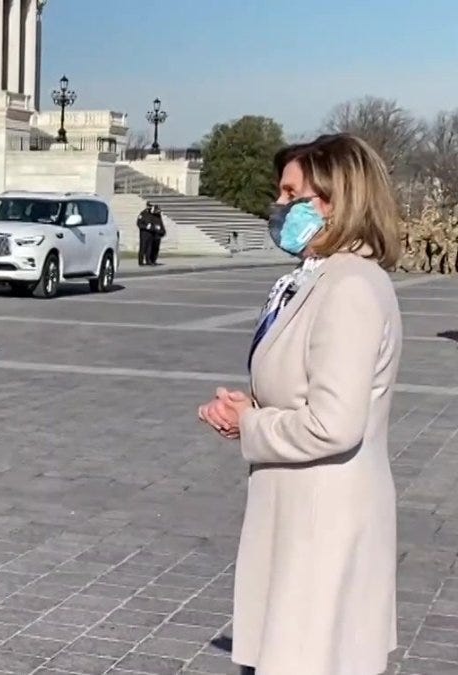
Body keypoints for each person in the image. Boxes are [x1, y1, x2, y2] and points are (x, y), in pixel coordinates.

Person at [197, 133, 402, 675]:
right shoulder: (321, 278)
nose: (279, 207)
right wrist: (249, 410)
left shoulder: (351, 287)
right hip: (299, 514)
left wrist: (251, 424)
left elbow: (335, 423)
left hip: (322, 524)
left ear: (335, 200)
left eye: (292, 195)